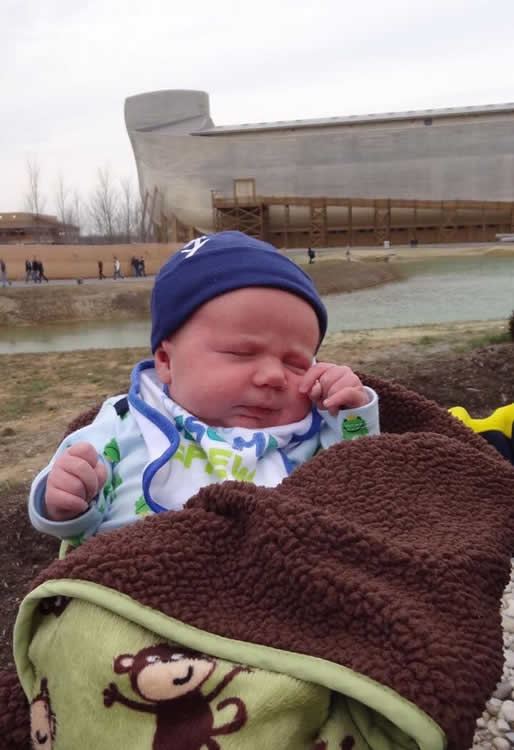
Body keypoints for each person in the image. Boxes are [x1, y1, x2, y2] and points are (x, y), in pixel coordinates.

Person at [29, 231, 379, 543]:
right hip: (141, 586)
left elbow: (356, 482)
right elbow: (74, 515)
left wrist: (349, 410)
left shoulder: (305, 430)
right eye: (242, 352)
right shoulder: (126, 422)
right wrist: (67, 499)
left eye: (296, 363)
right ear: (166, 362)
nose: (273, 376)